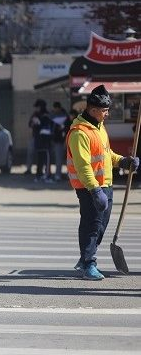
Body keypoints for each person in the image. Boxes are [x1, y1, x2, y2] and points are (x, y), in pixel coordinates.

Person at [66, 85, 139, 280]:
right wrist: (94, 190)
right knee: (92, 224)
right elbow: (83, 167)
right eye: (105, 111)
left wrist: (124, 161)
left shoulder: (99, 128)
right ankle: (88, 263)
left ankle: (85, 258)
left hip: (105, 185)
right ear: (93, 110)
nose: (107, 114)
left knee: (101, 224)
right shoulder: (79, 133)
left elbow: (107, 155)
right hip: (90, 188)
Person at [32, 99, 53, 182]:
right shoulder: (35, 115)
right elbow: (30, 124)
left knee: (46, 159)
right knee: (40, 159)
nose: (36, 109)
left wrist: (39, 124)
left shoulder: (46, 115)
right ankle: (39, 175)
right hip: (39, 141)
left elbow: (49, 127)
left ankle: (47, 175)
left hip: (45, 141)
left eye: (37, 107)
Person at [50, 102, 68, 181]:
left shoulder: (63, 116)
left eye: (55, 108)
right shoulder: (54, 115)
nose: (54, 110)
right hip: (58, 140)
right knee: (59, 158)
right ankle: (59, 174)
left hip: (61, 140)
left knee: (60, 159)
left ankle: (59, 175)